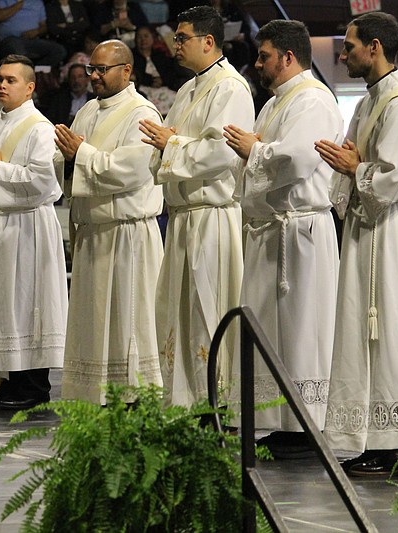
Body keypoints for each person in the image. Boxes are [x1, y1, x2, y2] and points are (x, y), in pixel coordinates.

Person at [315, 11, 398, 476]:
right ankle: (376, 439)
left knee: (390, 333)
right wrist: (350, 167)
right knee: (368, 334)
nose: (343, 54)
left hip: (391, 233)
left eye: (348, 46)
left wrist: (354, 169)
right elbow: (354, 161)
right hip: (368, 227)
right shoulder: (368, 102)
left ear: (375, 47)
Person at [223, 19, 343, 458]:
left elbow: (297, 158)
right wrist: (252, 150)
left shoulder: (312, 100)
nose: (257, 64)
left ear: (289, 57)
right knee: (272, 332)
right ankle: (279, 420)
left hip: (300, 234)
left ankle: (305, 426)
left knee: (301, 331)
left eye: (264, 55)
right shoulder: (277, 102)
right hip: (271, 232)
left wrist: (253, 149)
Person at [138, 5, 253, 407]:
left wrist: (170, 142)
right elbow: (167, 144)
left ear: (209, 41)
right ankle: (186, 399)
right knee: (179, 314)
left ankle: (216, 402)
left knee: (210, 310)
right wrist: (166, 142)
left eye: (182, 37)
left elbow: (221, 152)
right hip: (184, 218)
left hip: (212, 216)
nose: (175, 45)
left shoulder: (231, 88)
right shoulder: (188, 88)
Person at [54, 40, 164, 404]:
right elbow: (63, 160)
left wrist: (80, 153)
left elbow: (130, 170)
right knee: (93, 322)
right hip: (92, 235)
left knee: (127, 320)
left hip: (126, 234)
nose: (95, 76)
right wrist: (70, 158)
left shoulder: (142, 113)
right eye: (92, 70)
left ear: (126, 70)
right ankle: (95, 396)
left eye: (102, 69)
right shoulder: (86, 111)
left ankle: (134, 397)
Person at [0, 54, 67, 410]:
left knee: (29, 303)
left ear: (30, 87)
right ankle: (8, 383)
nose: (2, 85)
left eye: (10, 80)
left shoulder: (41, 128)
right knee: (4, 304)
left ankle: (33, 388)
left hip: (29, 226)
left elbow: (43, 182)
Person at [0, 0, 67, 68]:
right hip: (10, 40)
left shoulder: (37, 2)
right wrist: (19, 5)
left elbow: (44, 26)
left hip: (33, 40)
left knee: (59, 51)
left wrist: (37, 31)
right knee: (18, 52)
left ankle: (35, 73)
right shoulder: (2, 1)